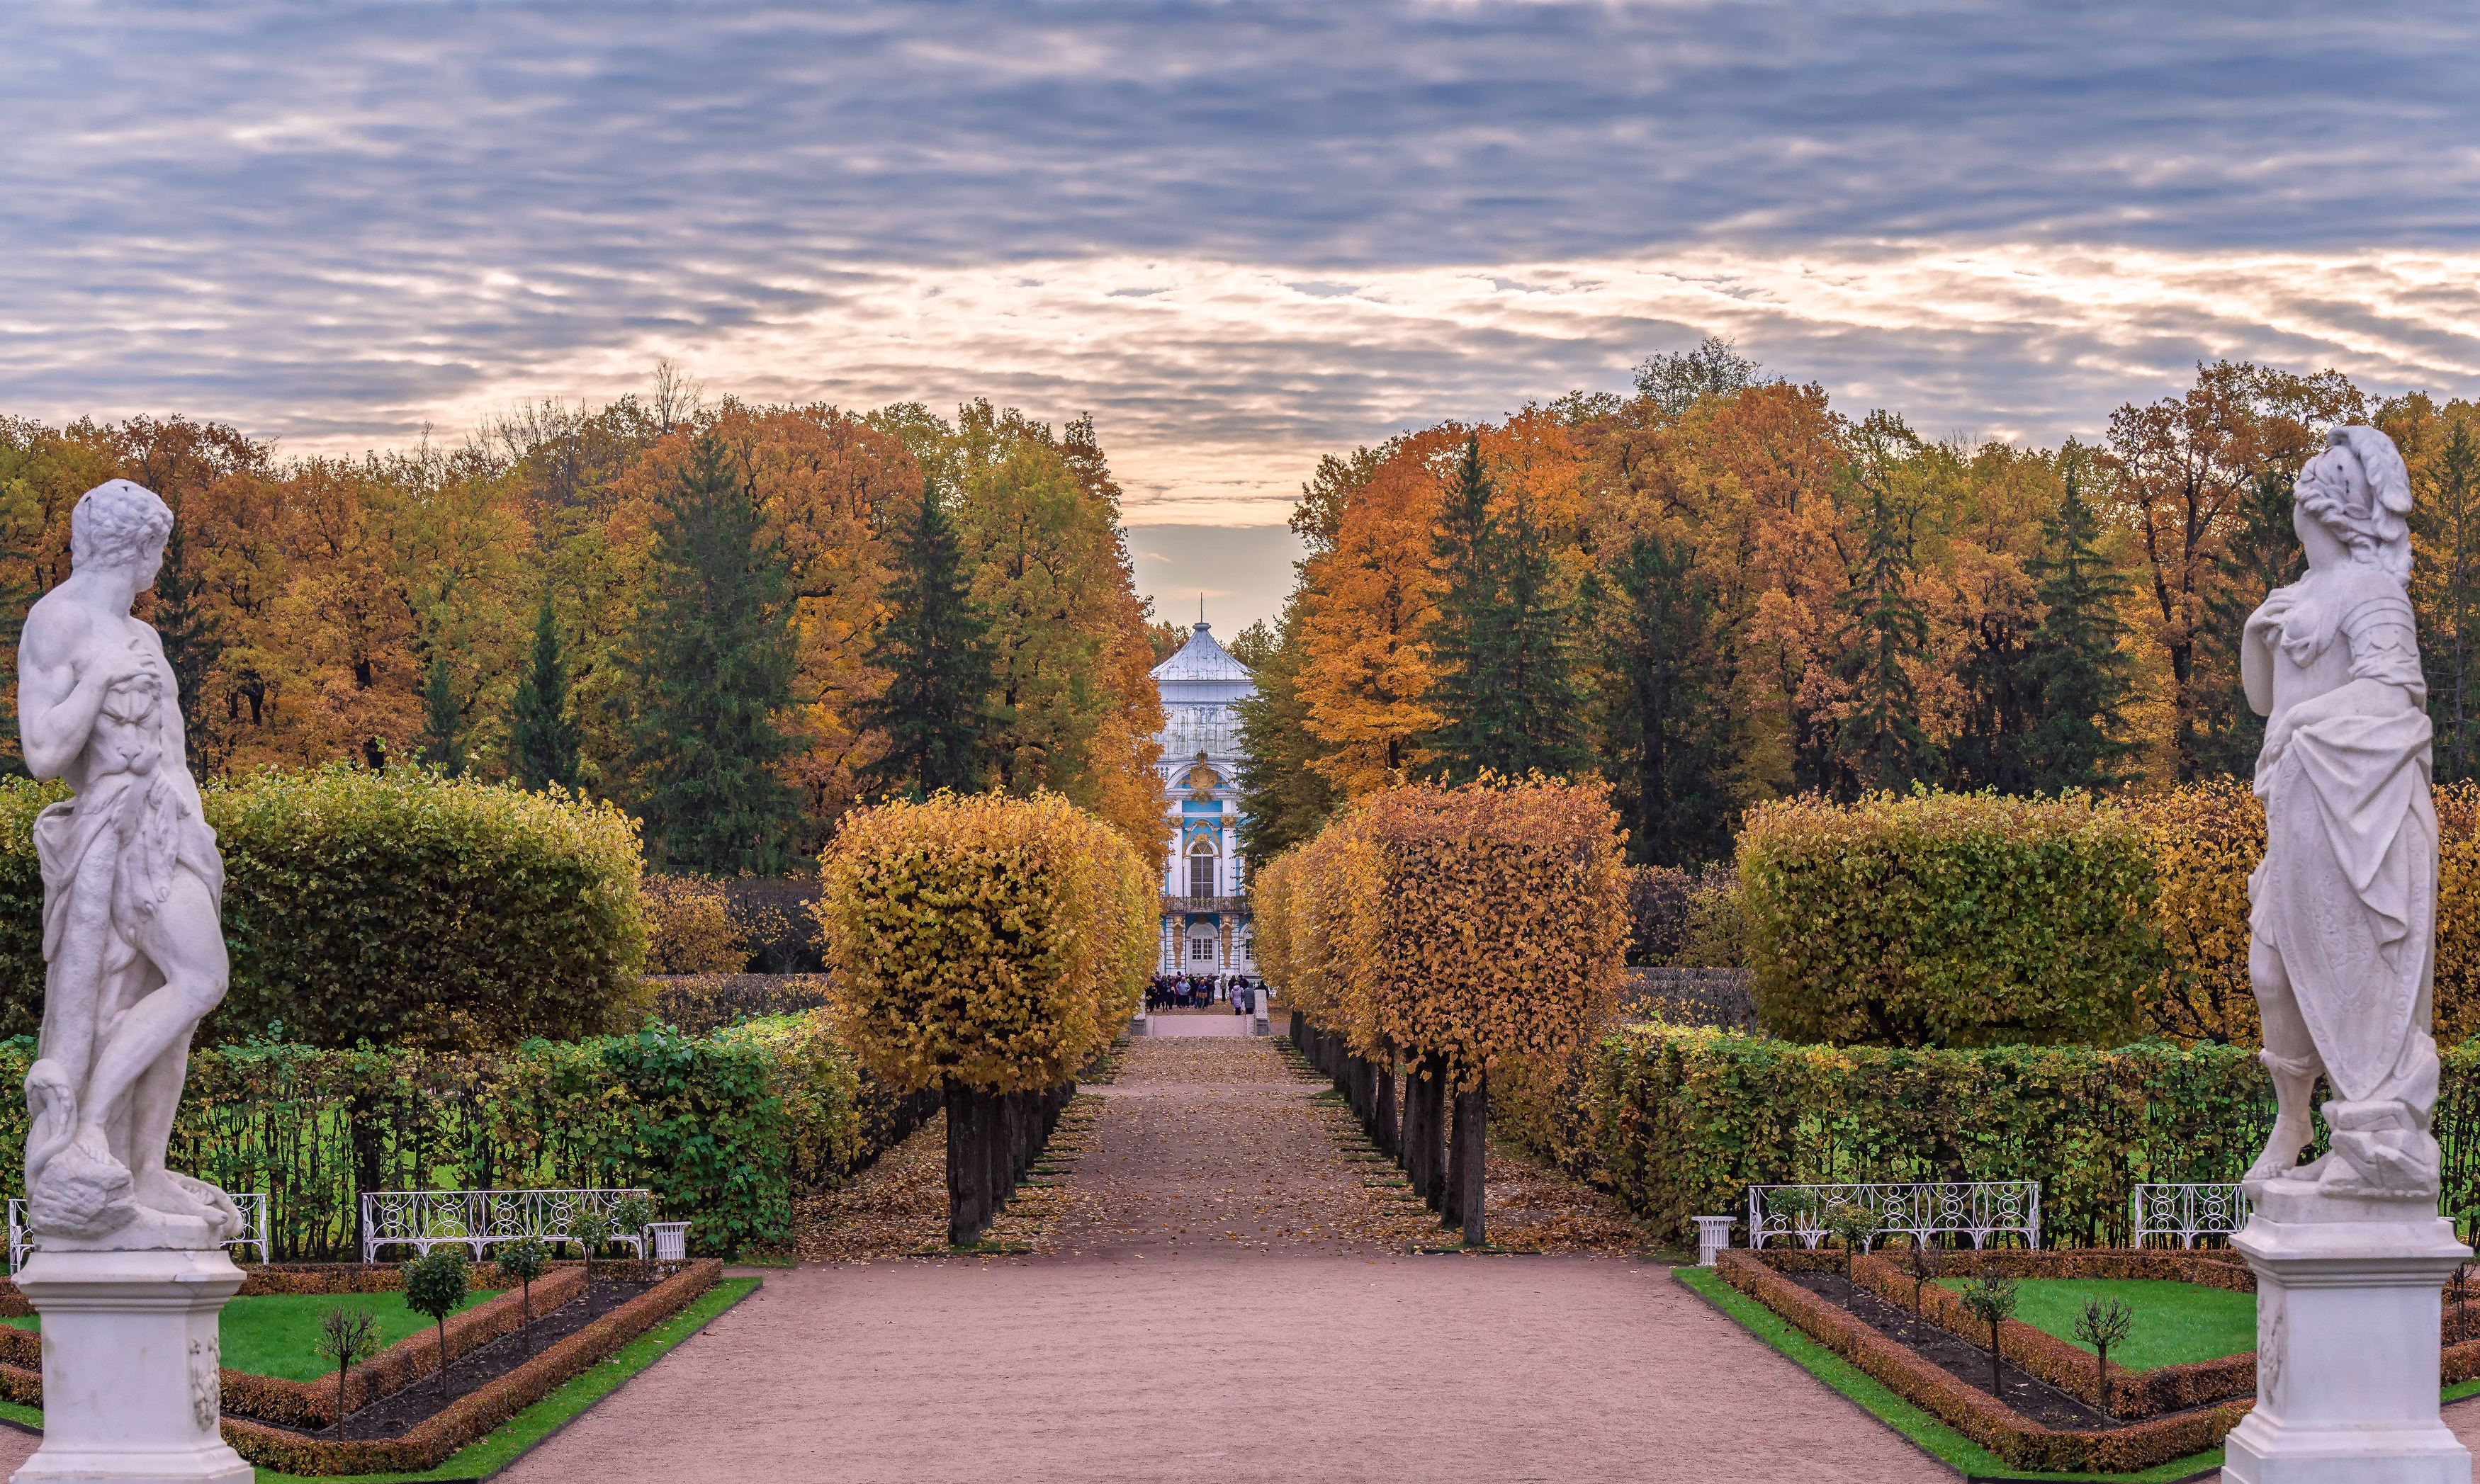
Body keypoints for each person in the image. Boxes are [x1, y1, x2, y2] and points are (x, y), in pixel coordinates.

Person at [17, 480, 243, 1245]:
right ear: (140, 546)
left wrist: (193, 830)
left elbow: (172, 750)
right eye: (160, 549)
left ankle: (142, 1168)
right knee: (201, 978)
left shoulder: (144, 636)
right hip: (113, 836)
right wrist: (98, 681)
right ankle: (83, 1134)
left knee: (169, 1006)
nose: (161, 562)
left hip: (170, 829)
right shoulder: (59, 621)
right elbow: (45, 752)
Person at [2241, 426, 2440, 1200]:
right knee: (2269, 970)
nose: (2308, 473)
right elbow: (2263, 699)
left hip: (2359, 815)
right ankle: (2293, 1120)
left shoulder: (2371, 591)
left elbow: (2394, 696)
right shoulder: (2300, 588)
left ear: (2347, 503)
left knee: (2344, 976)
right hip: (2298, 810)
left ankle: (2363, 1128)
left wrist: (2301, 724)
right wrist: (2259, 634)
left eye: (2327, 467)